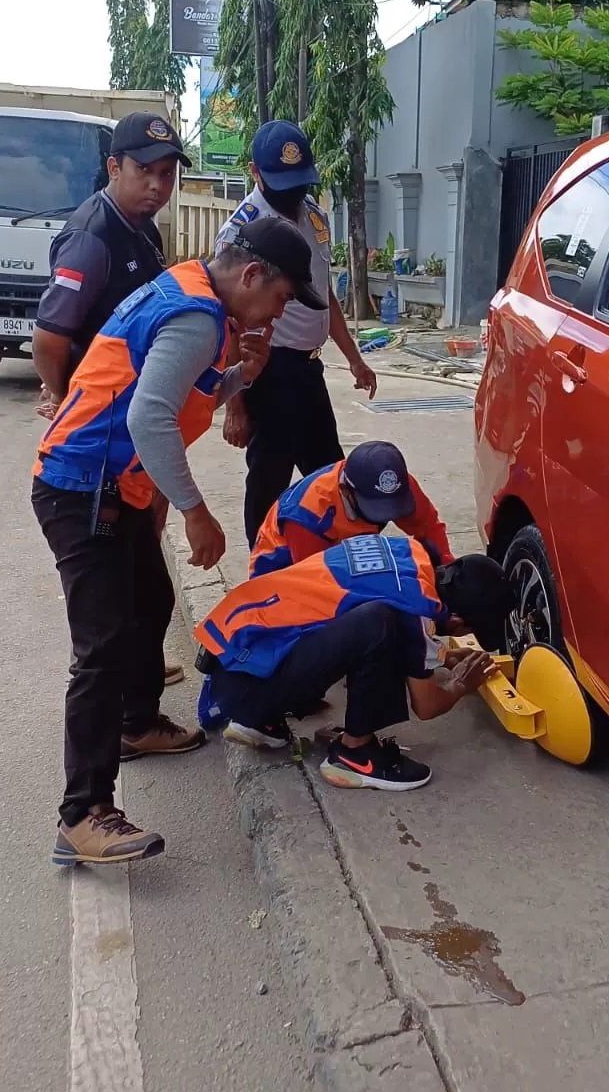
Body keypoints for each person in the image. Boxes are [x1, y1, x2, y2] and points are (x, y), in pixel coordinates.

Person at [33, 215, 324, 866]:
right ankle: (82, 815)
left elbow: (177, 393)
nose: (278, 314)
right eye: (279, 298)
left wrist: (240, 378)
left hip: (113, 484)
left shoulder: (195, 296)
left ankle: (137, 724)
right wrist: (195, 510)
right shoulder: (197, 317)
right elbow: (149, 415)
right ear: (251, 275)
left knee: (153, 603)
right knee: (102, 649)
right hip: (82, 486)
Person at [32, 109, 190, 686]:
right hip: (98, 444)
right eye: (145, 170)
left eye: (168, 173)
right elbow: (49, 340)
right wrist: (66, 399)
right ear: (113, 167)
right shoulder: (92, 237)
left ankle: (137, 667)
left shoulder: (141, 230)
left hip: (129, 433)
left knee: (140, 562)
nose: (157, 184)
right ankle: (128, 692)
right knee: (123, 572)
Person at [194, 533, 514, 792]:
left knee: (372, 621)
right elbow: (426, 706)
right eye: (468, 628)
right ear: (457, 618)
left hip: (234, 658)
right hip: (246, 687)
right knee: (380, 625)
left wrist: (439, 656)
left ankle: (262, 719)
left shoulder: (405, 554)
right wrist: (460, 684)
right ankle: (355, 754)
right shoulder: (412, 611)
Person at [215, 119, 378, 546]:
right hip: (268, 371)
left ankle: (338, 562)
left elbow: (321, 293)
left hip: (308, 370)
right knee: (269, 481)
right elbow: (228, 317)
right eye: (281, 185)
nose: (292, 196)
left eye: (299, 184)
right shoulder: (242, 232)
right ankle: (263, 576)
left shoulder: (315, 217)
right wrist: (236, 404)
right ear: (255, 173)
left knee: (331, 473)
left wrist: (354, 358)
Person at [250, 440, 454, 576]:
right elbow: (319, 583)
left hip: (342, 551)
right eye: (376, 507)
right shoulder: (307, 515)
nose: (386, 516)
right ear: (345, 491)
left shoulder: (392, 483)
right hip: (283, 574)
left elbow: (428, 528)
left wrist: (446, 572)